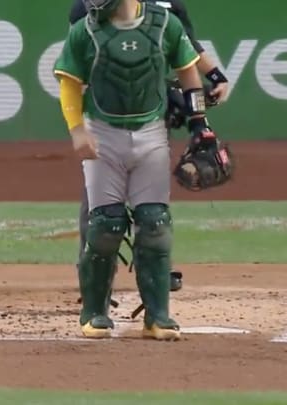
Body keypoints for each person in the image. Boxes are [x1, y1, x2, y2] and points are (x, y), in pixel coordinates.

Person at [54, 0, 223, 341]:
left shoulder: (165, 22)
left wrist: (200, 124)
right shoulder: (84, 28)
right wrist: (77, 130)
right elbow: (69, 82)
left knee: (156, 222)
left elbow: (189, 73)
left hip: (151, 131)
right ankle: (94, 311)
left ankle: (158, 315)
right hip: (102, 131)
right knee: (105, 224)